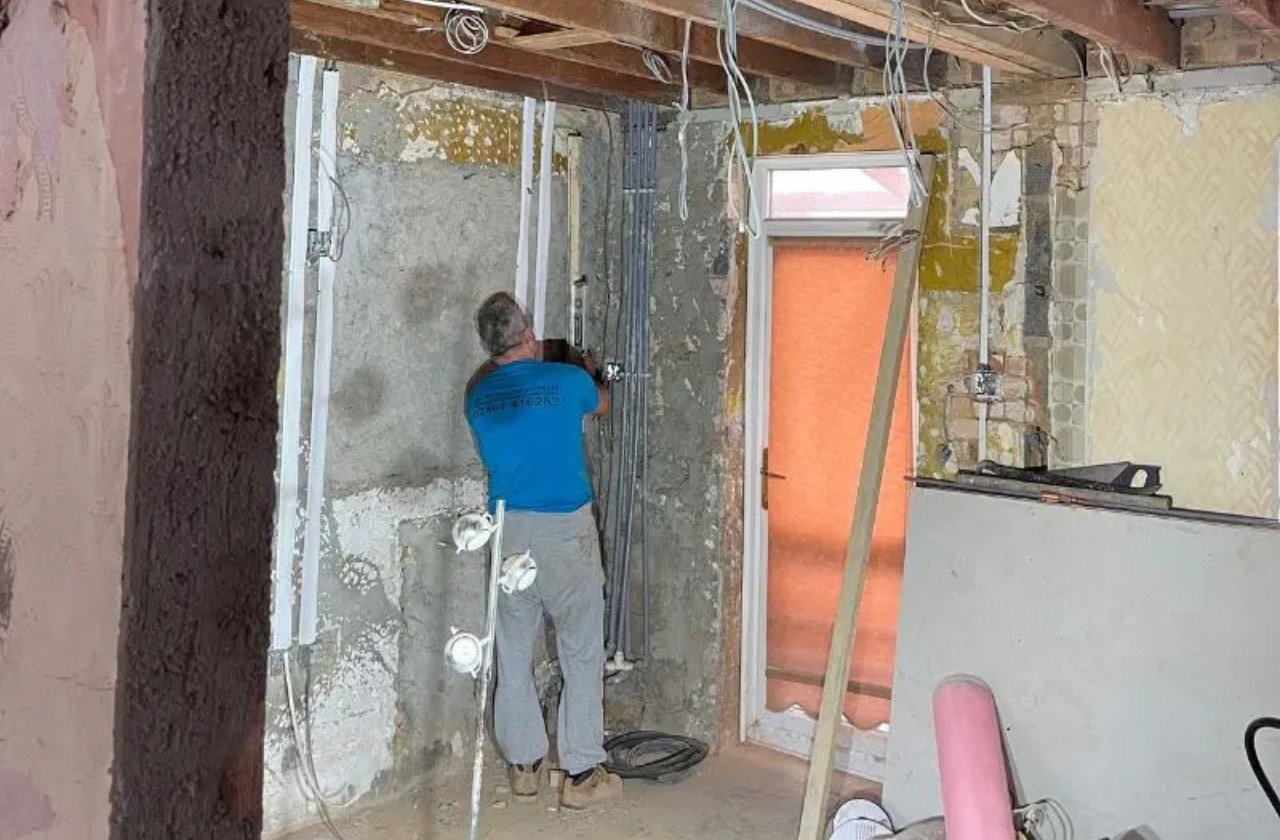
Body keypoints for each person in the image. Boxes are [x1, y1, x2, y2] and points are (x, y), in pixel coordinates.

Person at [463, 291, 621, 810]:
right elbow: (602, 403)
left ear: (488, 346)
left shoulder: (478, 397)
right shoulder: (566, 381)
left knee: (513, 647)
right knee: (580, 647)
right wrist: (590, 371)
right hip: (565, 529)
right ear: (528, 333)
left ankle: (524, 767)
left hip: (508, 529)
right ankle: (582, 773)